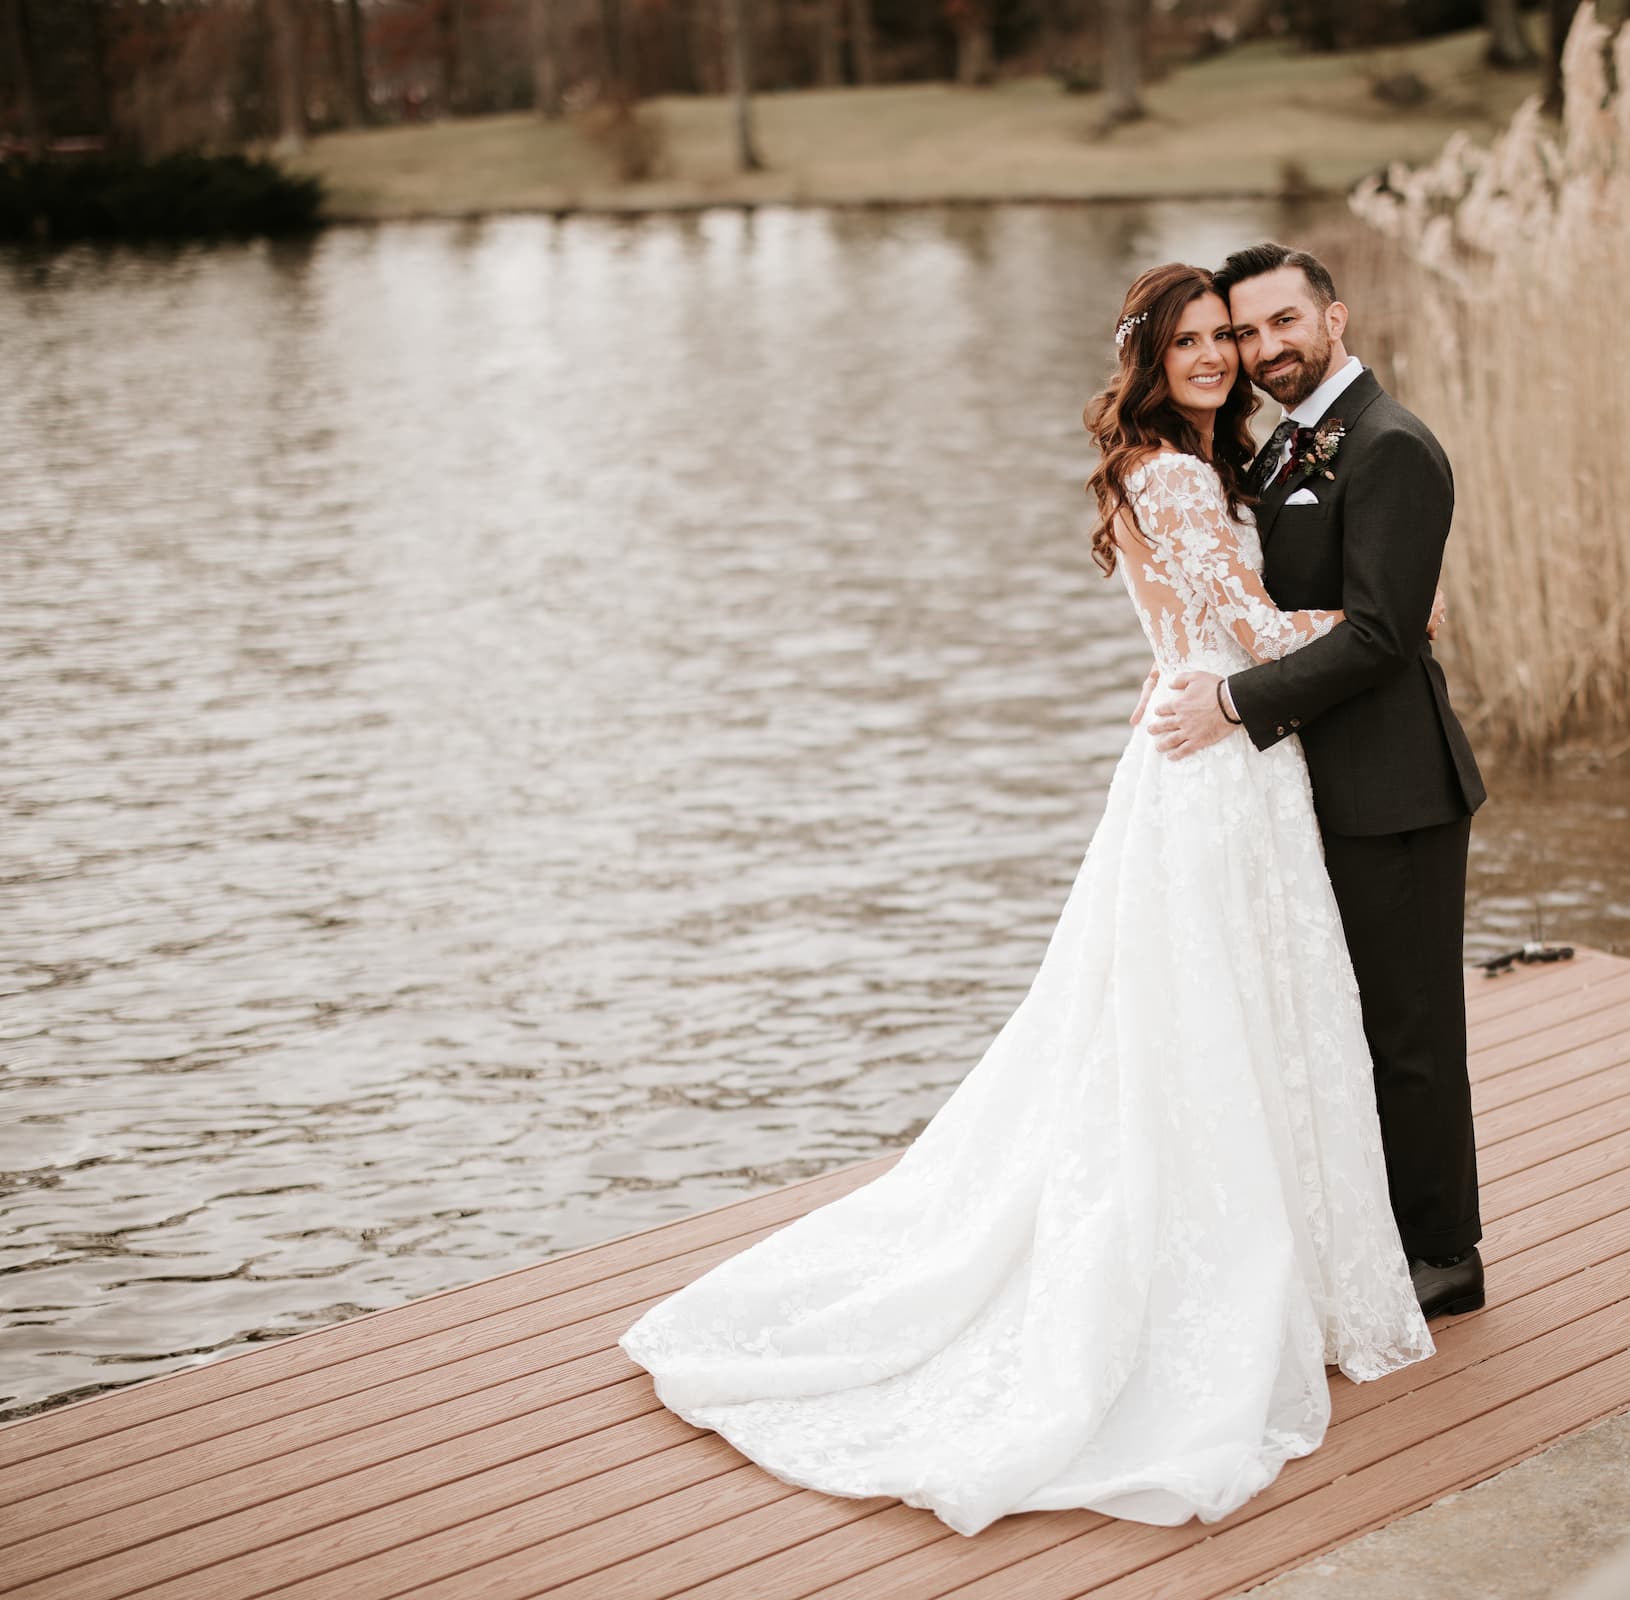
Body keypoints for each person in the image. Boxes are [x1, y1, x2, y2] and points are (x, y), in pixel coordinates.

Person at [619, 262, 1432, 1540]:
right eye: (1192, 344)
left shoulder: (1211, 466)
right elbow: (1251, 624)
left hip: (1223, 755)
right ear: (1150, 364)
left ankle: (1292, 1268)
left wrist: (1202, 657)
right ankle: (1210, 1288)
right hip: (1215, 768)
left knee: (1232, 1011)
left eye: (1228, 335)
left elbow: (1199, 627)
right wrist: (1392, 625)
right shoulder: (1170, 471)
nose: (1219, 356)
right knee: (1210, 1017)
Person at [1143, 241, 1489, 1319]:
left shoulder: (1392, 447)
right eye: (1245, 332)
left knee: (1411, 1030)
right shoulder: (1280, 447)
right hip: (1302, 787)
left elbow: (1385, 636)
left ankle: (1445, 1253)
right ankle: (1364, 1230)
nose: (1262, 349)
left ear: (1333, 319)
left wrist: (1236, 703)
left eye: (1282, 323)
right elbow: (1252, 603)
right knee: (1331, 1023)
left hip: (1393, 790)